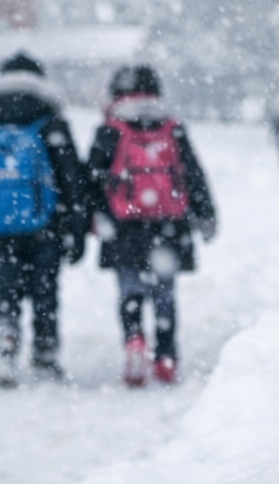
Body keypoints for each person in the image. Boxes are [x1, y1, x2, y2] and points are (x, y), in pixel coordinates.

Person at [0, 53, 89, 387]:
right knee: (45, 288)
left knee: (7, 286)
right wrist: (77, 229)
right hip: (48, 224)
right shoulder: (50, 120)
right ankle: (45, 352)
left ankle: (6, 342)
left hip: (0, 225)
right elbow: (72, 178)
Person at [86, 65, 216, 387]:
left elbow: (92, 179)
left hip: (124, 226)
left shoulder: (111, 129)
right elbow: (193, 174)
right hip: (169, 224)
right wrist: (205, 213)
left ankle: (134, 340)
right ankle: (166, 356)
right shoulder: (172, 127)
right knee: (164, 292)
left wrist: (94, 217)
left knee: (129, 287)